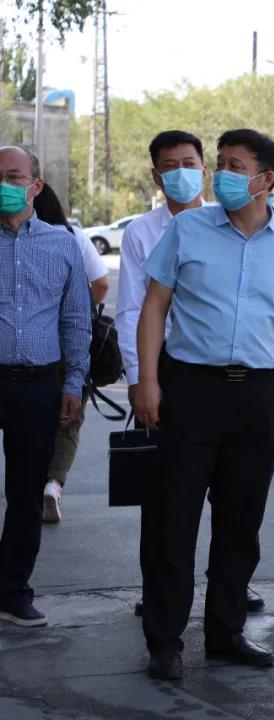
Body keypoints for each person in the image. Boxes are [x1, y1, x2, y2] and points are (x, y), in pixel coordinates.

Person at [133, 129, 274, 680]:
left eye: (236, 166)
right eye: (221, 164)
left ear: (266, 179)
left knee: (241, 520)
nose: (222, 175)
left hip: (257, 395)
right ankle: (165, 640)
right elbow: (154, 306)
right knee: (173, 520)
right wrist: (148, 380)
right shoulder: (188, 228)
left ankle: (225, 632)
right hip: (190, 388)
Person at [116, 130, 265, 617]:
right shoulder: (143, 232)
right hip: (166, 370)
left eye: (189, 162)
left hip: (227, 374)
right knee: (167, 499)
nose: (180, 172)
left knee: (235, 496)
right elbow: (133, 309)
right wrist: (141, 379)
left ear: (203, 169)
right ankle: (159, 593)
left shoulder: (237, 222)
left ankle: (231, 590)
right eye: (169, 165)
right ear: (156, 176)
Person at [0, 146, 91, 626]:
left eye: (14, 177)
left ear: (35, 186)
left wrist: (73, 383)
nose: (5, 185)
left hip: (37, 386)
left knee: (26, 494)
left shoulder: (62, 244)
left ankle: (12, 590)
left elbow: (76, 320)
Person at [30, 182, 109, 524]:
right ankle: (53, 483)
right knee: (69, 419)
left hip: (32, 347)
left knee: (28, 421)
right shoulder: (73, 236)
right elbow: (102, 283)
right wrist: (76, 304)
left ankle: (29, 484)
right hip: (71, 344)